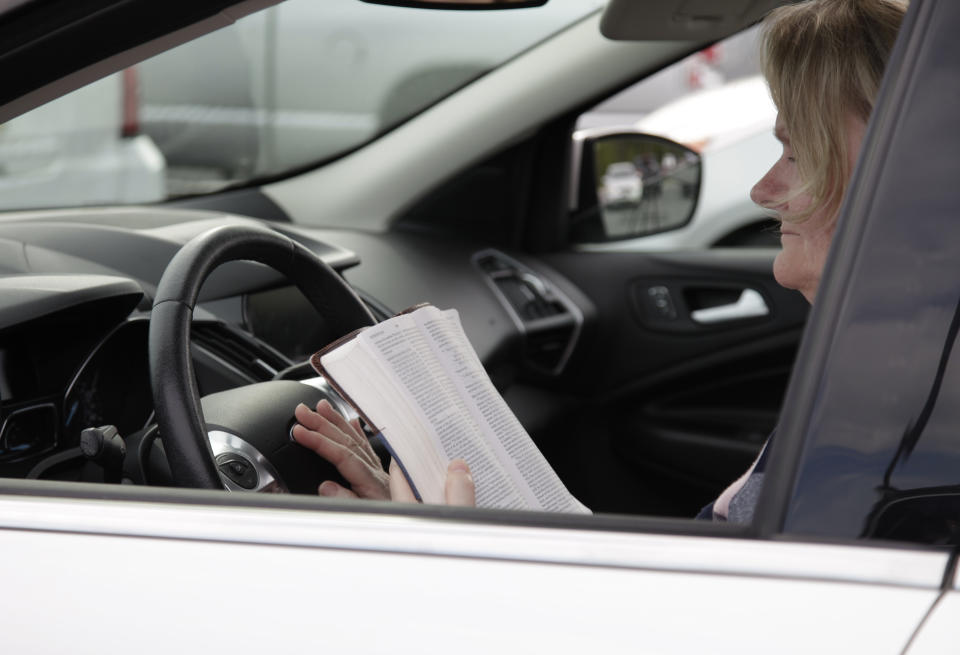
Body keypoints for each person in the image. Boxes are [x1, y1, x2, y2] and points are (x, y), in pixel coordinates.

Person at [292, 0, 908, 520]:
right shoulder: (884, 377)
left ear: (901, 181)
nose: (761, 191)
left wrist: (452, 549)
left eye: (798, 155)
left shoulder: (896, 418)